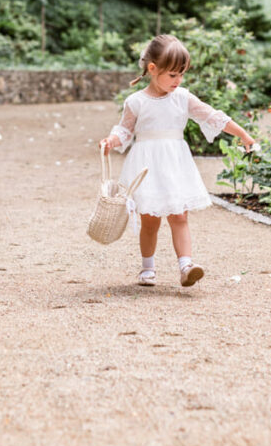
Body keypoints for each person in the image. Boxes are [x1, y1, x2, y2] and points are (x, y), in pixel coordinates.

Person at [100, 34, 256, 287]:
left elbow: (213, 116)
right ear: (153, 69)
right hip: (147, 165)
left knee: (179, 215)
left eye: (181, 74)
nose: (178, 80)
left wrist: (243, 134)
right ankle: (147, 268)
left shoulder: (182, 97)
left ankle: (186, 266)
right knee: (150, 219)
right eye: (173, 75)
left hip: (174, 164)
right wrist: (110, 141)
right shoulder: (136, 101)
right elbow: (125, 130)